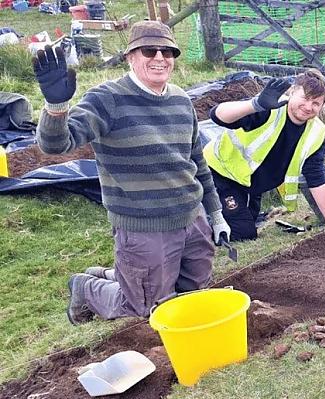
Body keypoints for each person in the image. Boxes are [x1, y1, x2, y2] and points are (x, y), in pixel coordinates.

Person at [33, 21, 229, 324]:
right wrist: (56, 106)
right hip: (144, 225)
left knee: (194, 295)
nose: (160, 57)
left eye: (168, 51)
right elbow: (56, 145)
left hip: (193, 219)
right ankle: (86, 288)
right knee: (145, 309)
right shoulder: (107, 99)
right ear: (131, 56)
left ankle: (117, 275)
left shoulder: (180, 99)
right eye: (149, 50)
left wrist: (215, 214)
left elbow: (197, 161)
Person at [204, 69, 325, 241]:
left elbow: (316, 177)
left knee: (248, 224)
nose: (309, 106)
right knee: (243, 234)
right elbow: (216, 115)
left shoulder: (317, 133)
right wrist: (255, 104)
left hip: (250, 186)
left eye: (316, 103)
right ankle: (199, 220)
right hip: (220, 173)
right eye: (305, 98)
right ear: (292, 92)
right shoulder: (269, 109)